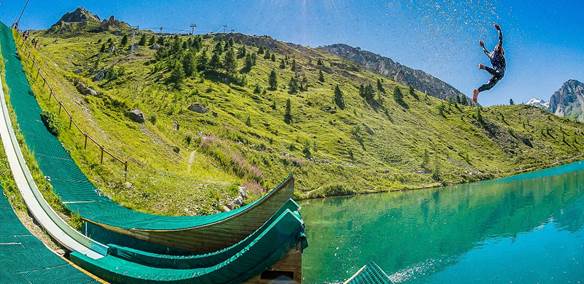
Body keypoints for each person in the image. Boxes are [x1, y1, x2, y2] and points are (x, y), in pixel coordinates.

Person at [473, 23, 505, 104]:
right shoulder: (499, 51)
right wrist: (499, 30)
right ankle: (484, 67)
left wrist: (482, 46)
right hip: (499, 72)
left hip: (495, 72)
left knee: (489, 86)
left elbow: (485, 51)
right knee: (497, 73)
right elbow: (500, 40)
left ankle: (477, 91)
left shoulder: (491, 54)